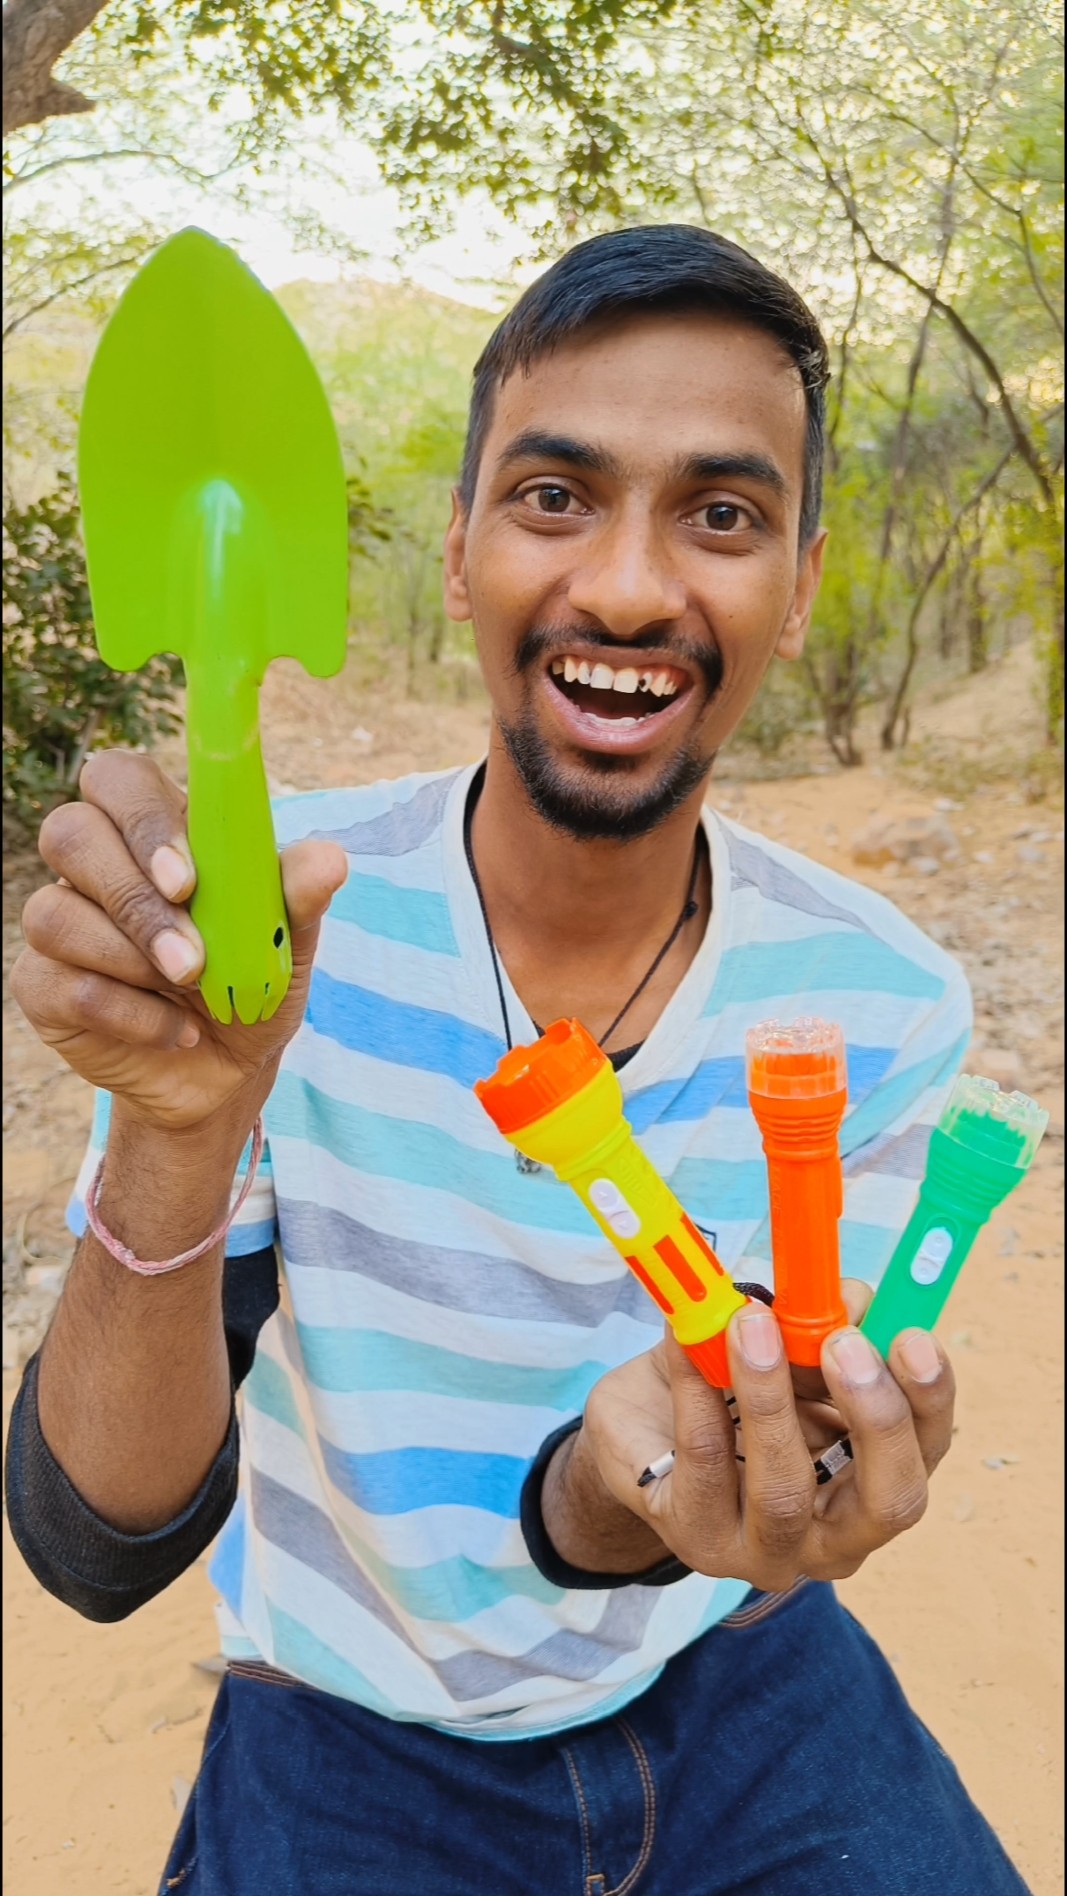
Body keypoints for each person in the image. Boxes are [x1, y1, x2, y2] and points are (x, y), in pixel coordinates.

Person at [7, 225, 1030, 1895]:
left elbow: (654, 1484)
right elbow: (98, 1542)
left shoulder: (879, 1001)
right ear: (460, 549)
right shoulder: (277, 913)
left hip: (736, 1680)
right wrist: (181, 1127)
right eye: (556, 496)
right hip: (345, 1718)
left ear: (801, 587)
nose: (627, 588)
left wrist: (663, 1489)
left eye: (722, 515)